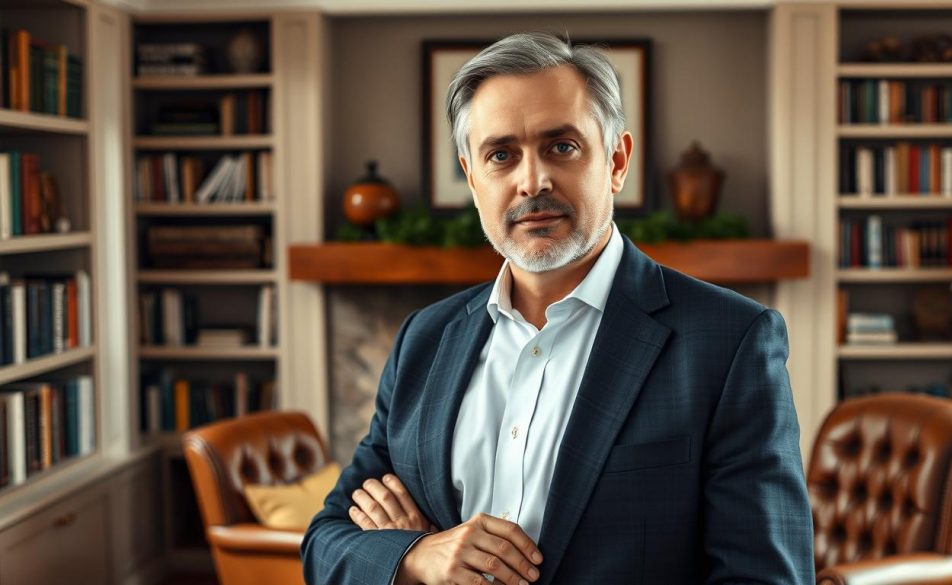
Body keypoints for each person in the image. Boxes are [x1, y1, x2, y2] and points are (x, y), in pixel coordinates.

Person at [301, 32, 814, 585]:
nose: (532, 181)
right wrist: (420, 557)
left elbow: (767, 577)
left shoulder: (731, 340)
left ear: (616, 160)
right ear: (473, 179)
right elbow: (325, 541)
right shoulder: (424, 338)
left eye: (561, 147)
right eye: (501, 155)